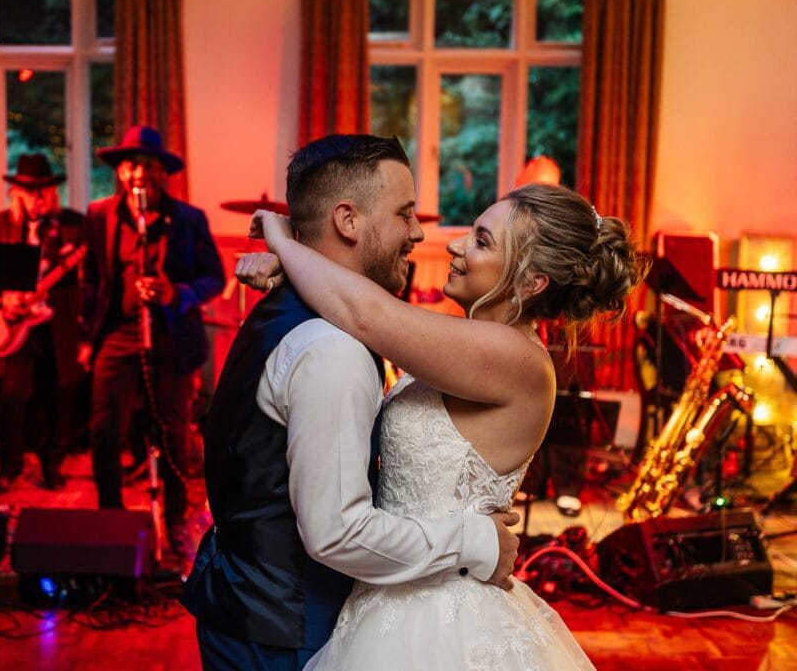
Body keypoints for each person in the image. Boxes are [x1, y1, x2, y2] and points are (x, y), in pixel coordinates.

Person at [242, 181, 646, 669]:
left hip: (441, 618)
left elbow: (364, 313)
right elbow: (358, 305)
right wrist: (289, 269)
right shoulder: (468, 338)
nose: (454, 246)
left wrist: (284, 243)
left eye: (480, 241)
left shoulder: (514, 357)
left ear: (530, 282)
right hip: (389, 589)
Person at [180, 134, 522, 670]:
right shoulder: (331, 347)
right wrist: (473, 540)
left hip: (250, 602)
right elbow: (338, 533)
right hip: (286, 624)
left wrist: (282, 249)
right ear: (348, 220)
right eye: (404, 213)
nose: (419, 232)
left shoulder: (287, 309)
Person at [78, 125, 225, 562]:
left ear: (162, 173)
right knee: (104, 429)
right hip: (118, 335)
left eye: (146, 164)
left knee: (173, 433)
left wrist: (176, 294)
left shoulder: (188, 219)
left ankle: (177, 522)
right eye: (129, 164)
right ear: (120, 172)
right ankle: (110, 519)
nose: (137, 172)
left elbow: (214, 276)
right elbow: (90, 280)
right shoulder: (100, 215)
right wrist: (88, 337)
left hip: (172, 337)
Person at [0, 153, 85, 495]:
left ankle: (51, 464)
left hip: (57, 327)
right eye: (31, 191)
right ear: (17, 193)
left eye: (44, 191)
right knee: (12, 397)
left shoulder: (72, 225)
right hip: (15, 329)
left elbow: (90, 276)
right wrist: (1, 298)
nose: (38, 199)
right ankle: (9, 465)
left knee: (57, 396)